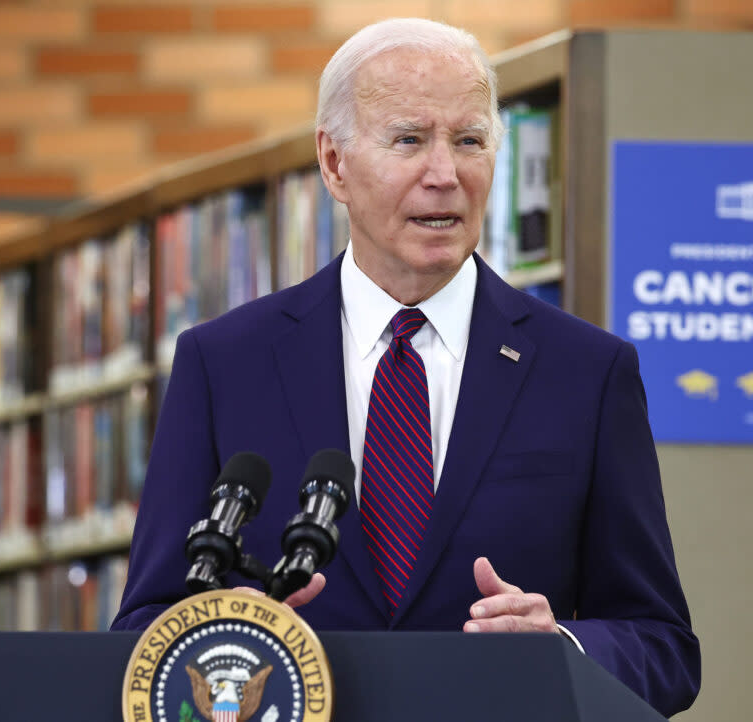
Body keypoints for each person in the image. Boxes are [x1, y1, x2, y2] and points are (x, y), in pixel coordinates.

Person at [112, 17, 700, 716]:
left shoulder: (589, 373)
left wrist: (564, 649)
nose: (445, 175)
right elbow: (139, 628)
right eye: (410, 140)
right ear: (334, 165)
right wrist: (216, 630)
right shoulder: (223, 364)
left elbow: (663, 648)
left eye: (471, 141)